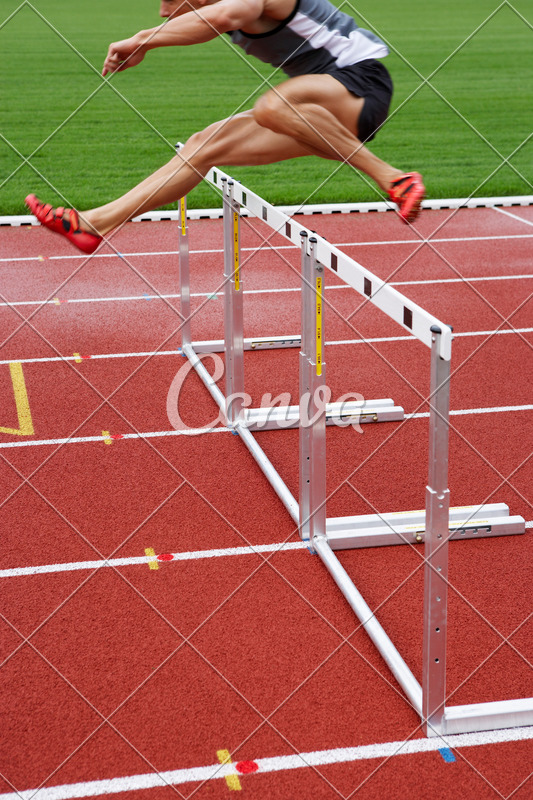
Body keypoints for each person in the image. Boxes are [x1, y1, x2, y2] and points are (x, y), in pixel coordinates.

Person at [26, 0, 425, 254]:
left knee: (274, 105)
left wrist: (142, 39)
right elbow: (212, 20)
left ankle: (394, 178)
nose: (163, 12)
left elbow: (224, 17)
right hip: (320, 112)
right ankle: (94, 224)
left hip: (362, 83)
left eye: (167, 1)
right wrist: (147, 41)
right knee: (203, 146)